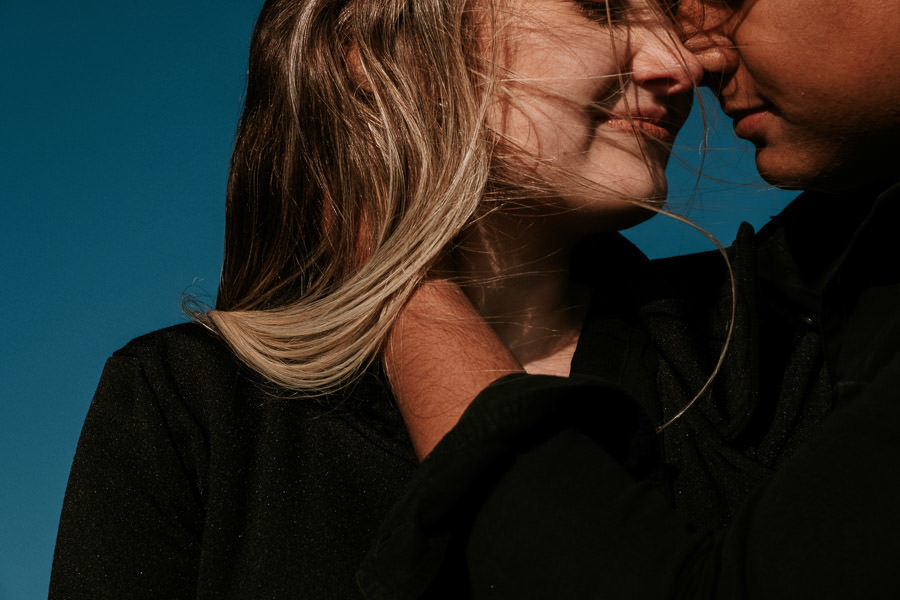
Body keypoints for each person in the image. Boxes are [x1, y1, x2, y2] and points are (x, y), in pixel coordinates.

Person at [49, 1, 703, 598]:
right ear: (377, 39)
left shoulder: (761, 356)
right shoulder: (191, 402)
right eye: (601, 7)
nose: (680, 65)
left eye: (675, 20)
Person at [359, 0, 900, 597]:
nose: (689, 63)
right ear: (388, 44)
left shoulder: (789, 343)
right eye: (600, 10)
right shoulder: (246, 418)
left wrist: (387, 277)